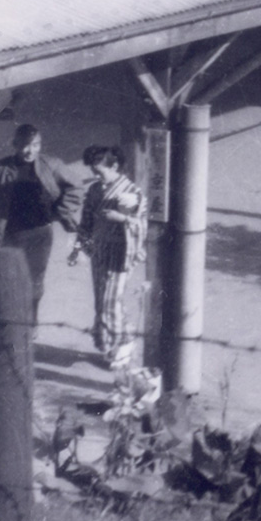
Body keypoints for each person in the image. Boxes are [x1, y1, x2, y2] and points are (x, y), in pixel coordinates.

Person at [0, 124, 83, 323]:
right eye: (25, 146)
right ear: (14, 145)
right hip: (9, 234)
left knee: (34, 282)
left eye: (35, 145)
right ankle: (3, 322)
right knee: (2, 279)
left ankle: (30, 323)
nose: (30, 151)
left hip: (40, 234)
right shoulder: (0, 169)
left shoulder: (52, 164)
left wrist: (59, 212)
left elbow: (75, 187)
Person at [69, 146, 147, 364]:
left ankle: (124, 344)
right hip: (99, 250)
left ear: (114, 166)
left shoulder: (132, 192)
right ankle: (120, 338)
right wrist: (78, 248)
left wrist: (121, 218)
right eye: (94, 172)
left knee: (110, 302)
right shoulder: (95, 190)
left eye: (100, 172)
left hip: (121, 253)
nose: (96, 177)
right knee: (104, 300)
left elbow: (142, 224)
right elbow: (86, 222)